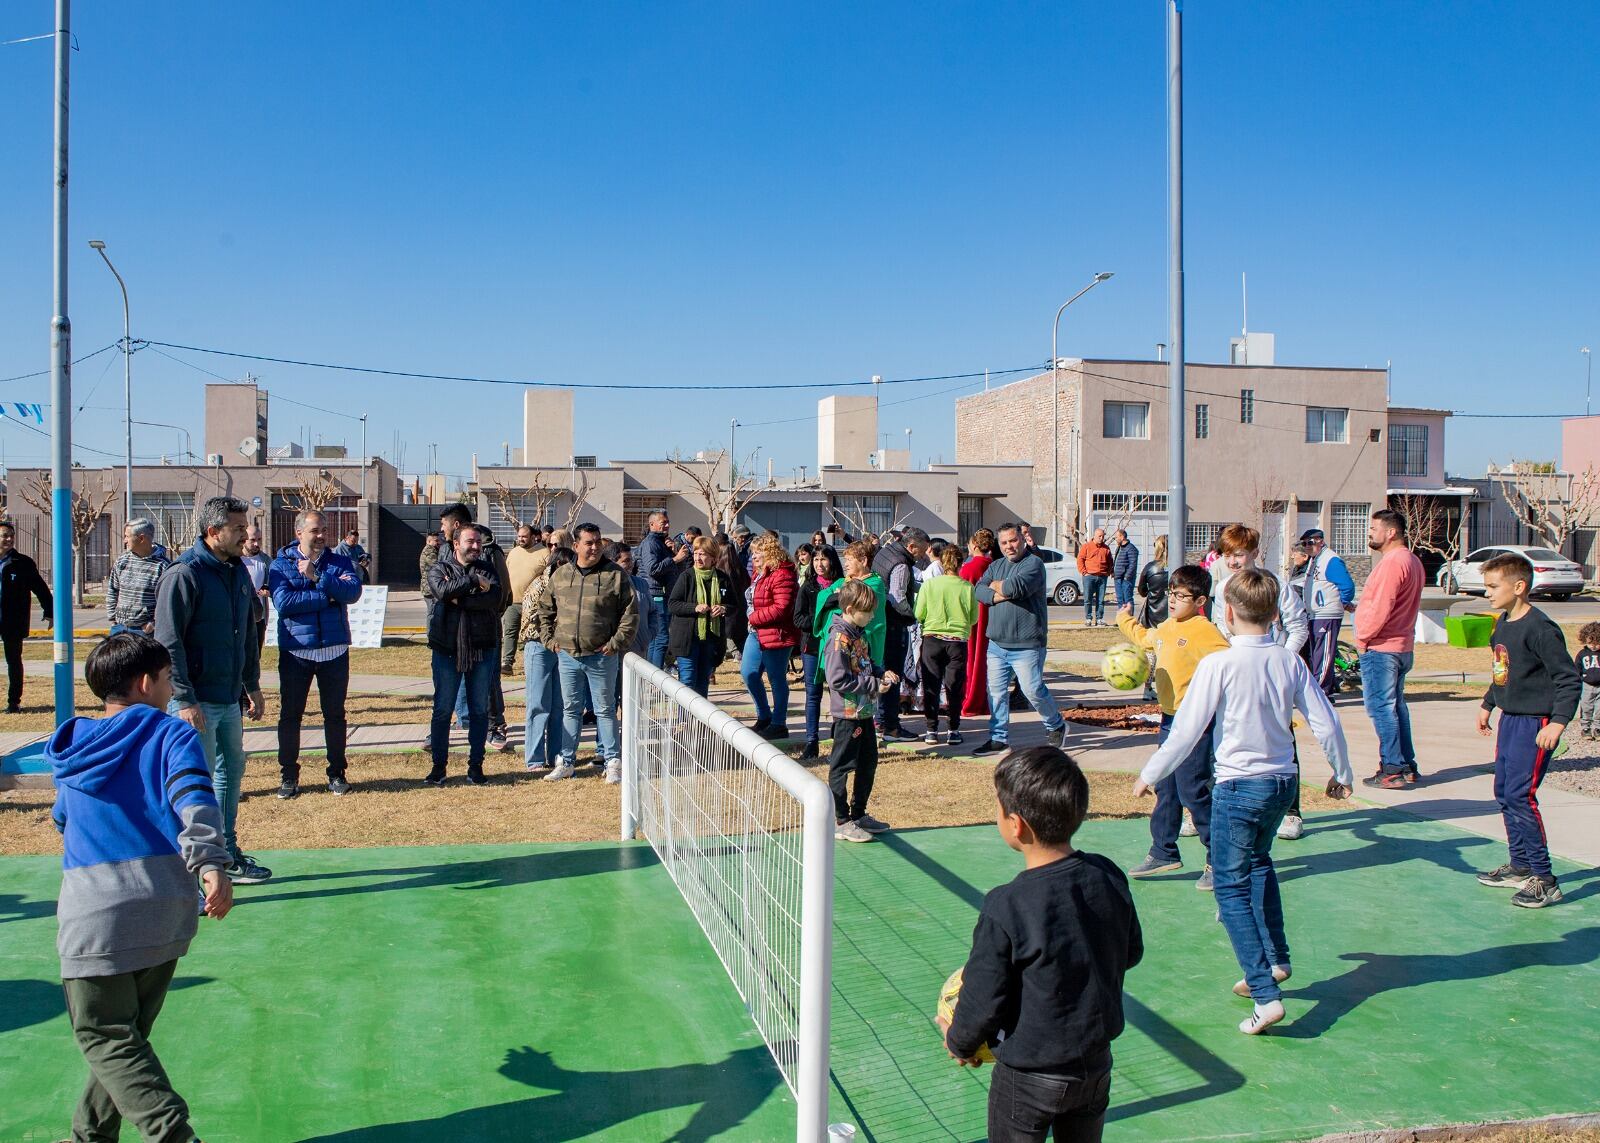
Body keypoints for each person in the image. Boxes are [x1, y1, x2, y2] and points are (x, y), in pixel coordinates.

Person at [1134, 569, 1352, 1035]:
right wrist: (1342, 772)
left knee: (1231, 888)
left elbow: (1187, 730)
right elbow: (1326, 722)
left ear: (1227, 613)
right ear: (1275, 615)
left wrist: (1151, 772)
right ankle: (1275, 962)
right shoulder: (1290, 662)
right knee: (1259, 863)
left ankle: (1265, 994)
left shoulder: (1220, 663)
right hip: (1281, 786)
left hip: (1239, 786)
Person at [46, 633, 233, 1143]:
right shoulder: (172, 736)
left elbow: (61, 817)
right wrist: (210, 862)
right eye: (170, 679)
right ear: (146, 683)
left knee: (103, 1035)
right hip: (166, 908)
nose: (172, 689)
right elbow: (192, 794)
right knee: (123, 1038)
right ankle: (92, 1135)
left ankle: (173, 1134)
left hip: (96, 913)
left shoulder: (72, 746)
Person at [942, 746, 1143, 1143]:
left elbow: (983, 996)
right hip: (1096, 1066)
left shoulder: (1007, 905)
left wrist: (959, 1041)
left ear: (1016, 825)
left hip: (1029, 1077)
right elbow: (1131, 951)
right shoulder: (1106, 873)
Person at [153, 495, 270, 885]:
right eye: (238, 528)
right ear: (212, 531)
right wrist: (183, 698)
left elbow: (248, 633)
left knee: (229, 773)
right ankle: (191, 874)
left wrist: (251, 684)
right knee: (193, 785)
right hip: (195, 702)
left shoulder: (237, 571)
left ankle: (224, 855)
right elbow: (169, 643)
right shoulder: (183, 574)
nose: (247, 534)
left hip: (228, 697)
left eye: (246, 526)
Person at [1473, 552, 1581, 909]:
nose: (1486, 592)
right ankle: (1520, 865)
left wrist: (1558, 723)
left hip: (1536, 725)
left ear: (1519, 587)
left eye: (1493, 586)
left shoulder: (1540, 628)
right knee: (1503, 791)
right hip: (1511, 719)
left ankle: (1545, 878)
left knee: (1521, 796)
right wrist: (1489, 703)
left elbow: (1568, 679)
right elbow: (1503, 669)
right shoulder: (1502, 623)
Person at [1118, 564, 1229, 889]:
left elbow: (1229, 663)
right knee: (1165, 788)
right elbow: (1146, 637)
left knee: (1193, 790)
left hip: (1195, 723)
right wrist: (1124, 618)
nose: (1174, 601)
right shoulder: (1168, 626)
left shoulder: (1205, 631)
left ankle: (1218, 860)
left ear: (1200, 601)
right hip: (1169, 719)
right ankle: (1163, 851)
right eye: (1172, 595)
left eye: (1182, 597)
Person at [1210, 523, 1311, 840]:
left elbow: (1299, 627)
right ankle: (1231, 801)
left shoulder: (1276, 585)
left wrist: (1281, 660)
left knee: (1283, 738)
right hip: (1239, 673)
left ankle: (1291, 812)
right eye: (1228, 555)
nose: (1234, 561)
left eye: (1239, 554)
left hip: (1273, 676)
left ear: (1255, 553)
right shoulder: (1223, 588)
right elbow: (1221, 627)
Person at [270, 510, 363, 799]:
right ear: (299, 533)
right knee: (290, 715)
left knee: (335, 715)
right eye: (315, 531)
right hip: (297, 652)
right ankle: (288, 776)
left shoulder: (339, 561)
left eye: (324, 530)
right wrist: (327, 597)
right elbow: (284, 603)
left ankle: (337, 773)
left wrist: (318, 577)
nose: (321, 535)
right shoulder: (281, 564)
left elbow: (352, 593)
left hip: (334, 651)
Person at [534, 521, 637, 783]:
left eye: (598, 542)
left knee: (604, 710)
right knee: (571, 709)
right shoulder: (561, 575)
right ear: (576, 545)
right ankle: (566, 762)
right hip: (567, 655)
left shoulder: (615, 575)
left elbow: (630, 613)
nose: (594, 547)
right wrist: (549, 640)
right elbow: (544, 610)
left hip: (602, 656)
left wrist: (615, 643)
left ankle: (613, 761)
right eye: (588, 543)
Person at [972, 524, 1067, 756]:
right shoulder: (996, 565)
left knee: (1033, 690)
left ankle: (1055, 725)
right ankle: (998, 738)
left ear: (1023, 540)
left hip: (1027, 645)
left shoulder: (1033, 563)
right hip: (996, 644)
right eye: (1004, 543)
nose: (1009, 546)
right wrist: (997, 592)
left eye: (1012, 541)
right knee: (996, 693)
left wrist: (994, 589)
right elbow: (978, 591)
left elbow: (1016, 587)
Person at [423, 522, 501, 786]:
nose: (476, 547)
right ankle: (438, 767)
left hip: (482, 648)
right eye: (470, 542)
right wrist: (472, 582)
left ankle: (476, 766)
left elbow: (494, 599)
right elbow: (441, 591)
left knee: (479, 710)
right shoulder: (439, 569)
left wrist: (460, 598)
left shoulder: (489, 569)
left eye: (479, 542)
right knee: (443, 710)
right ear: (456, 544)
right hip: (447, 649)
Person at [1354, 508, 1426, 790]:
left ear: (1391, 532)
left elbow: (1381, 608)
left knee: (1382, 709)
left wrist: (1363, 639)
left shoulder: (1393, 563)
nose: (1369, 534)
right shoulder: (1412, 561)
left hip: (1382, 648)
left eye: (1374, 529)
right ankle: (1406, 765)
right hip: (1400, 645)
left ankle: (1392, 768)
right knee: (1396, 708)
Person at [824, 580, 898, 843]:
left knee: (868, 763)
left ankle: (858, 813)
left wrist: (881, 672)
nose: (871, 616)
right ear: (851, 608)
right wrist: (874, 684)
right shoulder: (838, 638)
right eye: (867, 611)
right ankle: (840, 819)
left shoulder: (858, 633)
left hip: (865, 712)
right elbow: (838, 679)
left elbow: (866, 664)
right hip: (848, 714)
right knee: (841, 766)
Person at [915, 544, 977, 746]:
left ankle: (931, 729)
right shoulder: (967, 587)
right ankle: (954, 729)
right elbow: (973, 618)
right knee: (954, 687)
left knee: (931, 685)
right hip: (957, 642)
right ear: (960, 564)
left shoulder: (930, 585)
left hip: (932, 639)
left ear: (942, 562)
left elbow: (919, 613)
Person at [517, 546, 573, 771]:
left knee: (559, 704)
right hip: (539, 647)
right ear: (557, 564)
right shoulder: (540, 585)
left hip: (563, 649)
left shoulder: (572, 585)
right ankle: (535, 759)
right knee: (539, 704)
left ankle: (556, 754)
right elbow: (531, 618)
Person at [872, 526, 929, 741]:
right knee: (893, 675)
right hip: (894, 624)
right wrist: (913, 616)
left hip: (881, 622)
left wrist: (927, 588)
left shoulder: (886, 552)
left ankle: (881, 721)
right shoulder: (902, 564)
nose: (922, 556)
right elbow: (897, 598)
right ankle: (892, 727)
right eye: (921, 552)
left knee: (882, 671)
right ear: (911, 546)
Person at [743, 535, 801, 740]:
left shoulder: (783, 574)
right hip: (756, 632)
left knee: (776, 679)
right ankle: (764, 716)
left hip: (778, 634)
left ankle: (778, 723)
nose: (754, 556)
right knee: (748, 673)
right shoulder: (760, 573)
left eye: (758, 552)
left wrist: (755, 618)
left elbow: (782, 607)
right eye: (753, 552)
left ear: (770, 552)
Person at [668, 536, 730, 698]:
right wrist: (694, 607)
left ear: (713, 557)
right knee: (687, 681)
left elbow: (734, 605)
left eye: (702, 554)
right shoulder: (686, 577)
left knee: (703, 681)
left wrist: (723, 608)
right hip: (687, 639)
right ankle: (684, 719)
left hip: (711, 640)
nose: (697, 558)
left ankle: (699, 722)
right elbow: (673, 604)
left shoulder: (722, 578)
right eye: (695, 553)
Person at [0, 521, 52, 713]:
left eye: (11, 535)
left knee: (13, 661)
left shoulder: (22, 563)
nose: (9, 539)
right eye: (5, 535)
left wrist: (50, 612)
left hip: (12, 622)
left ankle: (14, 702)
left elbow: (41, 589)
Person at [1297, 528, 1356, 697]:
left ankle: (1321, 692)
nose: (1307, 546)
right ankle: (1321, 689)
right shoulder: (1315, 560)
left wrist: (1343, 603)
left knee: (1323, 655)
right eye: (1304, 543)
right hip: (1314, 614)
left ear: (1321, 541)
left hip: (1326, 614)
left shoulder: (1330, 560)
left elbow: (1347, 586)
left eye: (1311, 542)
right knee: (1314, 654)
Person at [794, 543, 838, 759]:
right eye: (816, 559)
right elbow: (798, 618)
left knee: (838, 691)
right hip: (811, 646)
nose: (819, 564)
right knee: (813, 694)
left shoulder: (842, 585)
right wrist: (821, 617)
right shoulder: (808, 587)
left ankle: (839, 735)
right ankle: (812, 740)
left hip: (836, 647)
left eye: (824, 559)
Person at [636, 509, 689, 670]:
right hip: (655, 594)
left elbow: (677, 569)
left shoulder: (663, 542)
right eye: (662, 523)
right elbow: (653, 569)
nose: (667, 525)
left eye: (668, 522)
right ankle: (655, 679)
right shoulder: (650, 543)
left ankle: (651, 678)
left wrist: (674, 553)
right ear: (652, 524)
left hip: (664, 594)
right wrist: (675, 558)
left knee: (656, 639)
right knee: (661, 639)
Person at [106, 518, 169, 636]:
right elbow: (113, 590)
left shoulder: (163, 566)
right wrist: (113, 620)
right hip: (119, 629)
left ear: (141, 538)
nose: (124, 540)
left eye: (127, 536)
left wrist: (154, 623)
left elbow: (166, 601)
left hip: (145, 632)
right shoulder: (122, 561)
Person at [960, 530, 997, 719]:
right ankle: (981, 699)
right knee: (984, 660)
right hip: (992, 616)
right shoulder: (995, 565)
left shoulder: (969, 568)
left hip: (973, 619)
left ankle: (971, 699)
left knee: (972, 659)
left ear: (974, 545)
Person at [1134, 535, 1171, 703]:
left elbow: (1141, 589)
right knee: (1168, 653)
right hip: (1170, 616)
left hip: (1152, 614)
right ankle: (1168, 688)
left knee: (1151, 653)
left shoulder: (1151, 568)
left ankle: (1147, 688)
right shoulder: (1176, 568)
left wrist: (1151, 592)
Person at [501, 524, 542, 674]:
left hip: (532, 605)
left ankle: (530, 664)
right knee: (510, 632)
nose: (520, 539)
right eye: (519, 536)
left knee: (530, 635)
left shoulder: (544, 552)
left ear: (533, 537)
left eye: (524, 536)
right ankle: (507, 663)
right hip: (512, 601)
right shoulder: (513, 552)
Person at [606, 541, 656, 661]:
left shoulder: (641, 584)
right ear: (612, 562)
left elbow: (653, 611)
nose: (631, 564)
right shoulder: (603, 587)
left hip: (639, 649)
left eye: (631, 560)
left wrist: (648, 634)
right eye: (626, 561)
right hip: (612, 652)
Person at [239, 525, 271, 655]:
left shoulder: (266, 561)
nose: (257, 543)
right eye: (252, 540)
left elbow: (274, 585)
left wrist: (269, 590)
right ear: (244, 539)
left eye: (259, 539)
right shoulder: (236, 560)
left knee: (255, 657)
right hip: (239, 617)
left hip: (258, 618)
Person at [1076, 527, 1112, 627]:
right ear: (1094, 536)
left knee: (1100, 600)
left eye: (1103, 536)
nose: (1102, 538)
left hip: (1102, 577)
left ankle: (1099, 618)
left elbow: (1110, 562)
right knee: (1088, 599)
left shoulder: (1106, 548)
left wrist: (1108, 572)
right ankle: (1088, 618)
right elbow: (1080, 560)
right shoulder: (1086, 546)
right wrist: (1084, 572)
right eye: (1099, 536)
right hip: (1089, 577)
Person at [1576, 623, 1600, 740]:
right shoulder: (1582, 654)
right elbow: (1577, 669)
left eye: (1597, 643)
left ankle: (1598, 728)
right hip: (1587, 685)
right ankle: (1586, 728)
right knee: (1586, 707)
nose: (1594, 646)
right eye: (1591, 643)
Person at [1112, 529, 1140, 610]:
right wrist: (1113, 571)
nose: (1116, 539)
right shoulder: (1119, 548)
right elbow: (1116, 561)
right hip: (1118, 578)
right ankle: (1121, 621)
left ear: (1122, 537)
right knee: (1120, 600)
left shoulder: (1131, 548)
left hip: (1126, 580)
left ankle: (1129, 620)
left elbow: (1133, 564)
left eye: (1116, 537)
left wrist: (1127, 577)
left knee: (1128, 600)